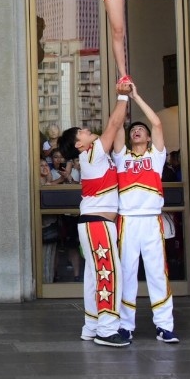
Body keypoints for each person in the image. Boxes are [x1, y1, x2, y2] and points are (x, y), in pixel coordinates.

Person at [56, 84, 131, 347]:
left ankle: (92, 325)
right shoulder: (92, 153)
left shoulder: (92, 157)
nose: (89, 131)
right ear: (79, 144)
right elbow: (114, 122)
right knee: (109, 272)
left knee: (94, 275)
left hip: (93, 222)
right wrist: (123, 94)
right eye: (84, 132)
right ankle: (107, 329)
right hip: (98, 224)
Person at [113, 86, 178, 344]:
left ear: (149, 138)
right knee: (127, 273)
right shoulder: (122, 158)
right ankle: (125, 326)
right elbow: (117, 127)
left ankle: (165, 325)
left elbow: (157, 122)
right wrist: (121, 96)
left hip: (152, 220)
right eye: (133, 131)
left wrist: (136, 96)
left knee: (157, 273)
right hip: (128, 221)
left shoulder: (156, 156)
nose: (136, 131)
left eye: (141, 130)